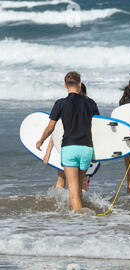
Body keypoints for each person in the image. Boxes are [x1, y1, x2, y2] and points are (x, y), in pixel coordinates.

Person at [36, 72, 100, 211]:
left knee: (73, 192)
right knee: (80, 187)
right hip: (86, 149)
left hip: (69, 148)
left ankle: (79, 223)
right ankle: (83, 218)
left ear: (65, 85)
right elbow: (98, 127)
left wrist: (41, 141)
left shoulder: (60, 103)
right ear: (80, 84)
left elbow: (51, 128)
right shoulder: (91, 103)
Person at [43, 83, 90, 192]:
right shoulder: (88, 106)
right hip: (83, 149)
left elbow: (56, 130)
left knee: (62, 179)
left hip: (66, 149)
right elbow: (57, 132)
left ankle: (61, 206)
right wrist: (48, 152)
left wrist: (47, 153)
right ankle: (81, 205)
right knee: (80, 183)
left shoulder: (66, 105)